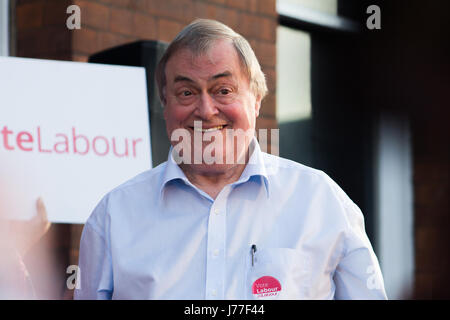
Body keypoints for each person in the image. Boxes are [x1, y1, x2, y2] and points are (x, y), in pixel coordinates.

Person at [74, 19, 387, 300]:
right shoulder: (113, 216)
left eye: (223, 90)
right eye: (186, 92)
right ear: (164, 103)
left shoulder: (322, 201)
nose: (206, 110)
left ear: (256, 100)